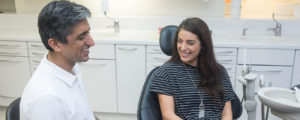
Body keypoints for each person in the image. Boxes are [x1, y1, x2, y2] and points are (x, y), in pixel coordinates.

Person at [20, 1, 99, 120]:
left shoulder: (70, 66)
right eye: (81, 37)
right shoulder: (48, 99)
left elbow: (84, 113)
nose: (91, 42)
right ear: (56, 44)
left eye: (88, 32)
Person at [151, 17, 235, 120]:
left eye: (190, 43)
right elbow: (168, 116)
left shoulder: (219, 72)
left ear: (202, 45)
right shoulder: (165, 73)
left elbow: (227, 114)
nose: (182, 47)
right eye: (179, 41)